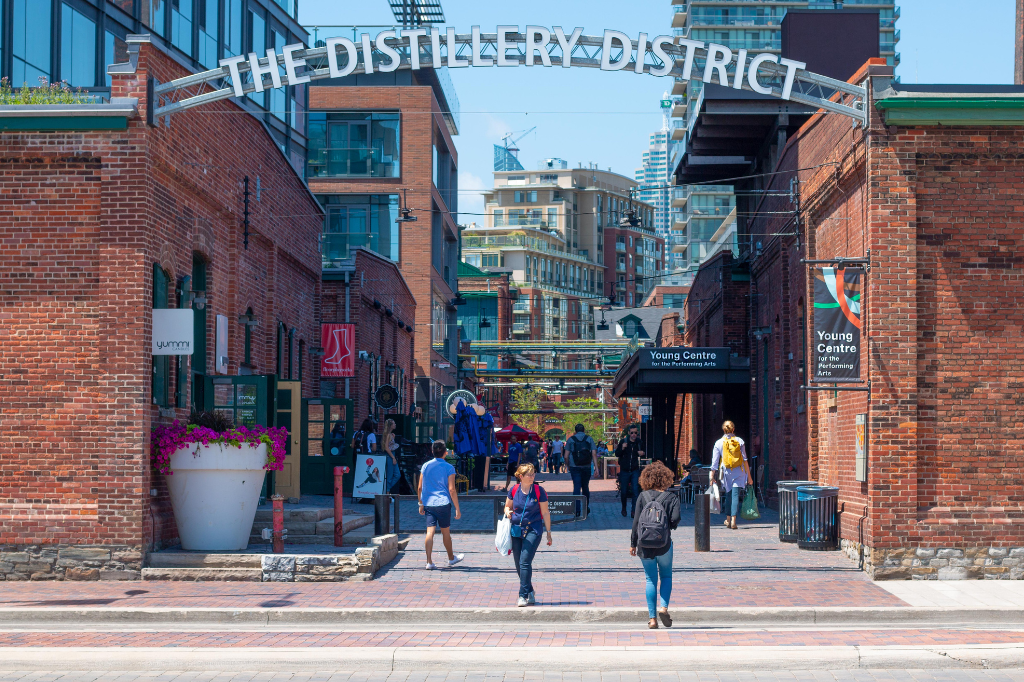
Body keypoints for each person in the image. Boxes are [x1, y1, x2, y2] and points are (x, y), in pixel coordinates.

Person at [630, 461, 680, 629]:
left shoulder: (642, 496)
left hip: (644, 544)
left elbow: (636, 522)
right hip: (664, 544)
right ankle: (663, 608)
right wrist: (668, 526)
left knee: (650, 579)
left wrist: (633, 544)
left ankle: (652, 619)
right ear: (666, 478)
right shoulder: (671, 498)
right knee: (666, 576)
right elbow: (675, 518)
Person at [503, 463, 552, 607]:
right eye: (529, 475)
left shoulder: (538, 490)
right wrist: (507, 512)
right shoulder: (514, 490)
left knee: (525, 561)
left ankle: (522, 595)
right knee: (519, 564)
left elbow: (545, 512)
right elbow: (507, 506)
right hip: (516, 530)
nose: (532, 477)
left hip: (533, 529)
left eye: (533, 474)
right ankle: (530, 590)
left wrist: (549, 532)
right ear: (520, 476)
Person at [417, 440, 465, 569]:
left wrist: (420, 503)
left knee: (429, 532)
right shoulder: (449, 468)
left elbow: (420, 487)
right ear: (445, 453)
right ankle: (451, 558)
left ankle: (429, 562)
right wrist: (457, 508)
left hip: (428, 503)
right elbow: (452, 489)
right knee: (445, 532)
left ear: (432, 451)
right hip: (443, 503)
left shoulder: (425, 466)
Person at [710, 421, 751, 530]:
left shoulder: (718, 443)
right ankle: (733, 520)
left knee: (728, 494)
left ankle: (728, 520)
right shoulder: (739, 441)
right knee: (735, 495)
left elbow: (714, 463)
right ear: (733, 429)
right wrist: (749, 477)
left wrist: (712, 476)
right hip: (739, 471)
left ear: (723, 430)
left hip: (726, 472)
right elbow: (745, 460)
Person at [566, 423, 598, 515]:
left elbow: (566, 456)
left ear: (575, 431)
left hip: (574, 466)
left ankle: (577, 510)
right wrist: (596, 468)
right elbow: (594, 454)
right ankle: (585, 507)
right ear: (584, 430)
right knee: (585, 487)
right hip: (586, 466)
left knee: (576, 487)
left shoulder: (571, 440)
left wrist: (568, 465)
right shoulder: (589, 439)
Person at [616, 425, 645, 517]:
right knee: (624, 491)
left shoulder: (639, 442)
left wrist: (642, 453)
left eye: (635, 433)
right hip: (624, 470)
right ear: (629, 433)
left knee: (635, 491)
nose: (633, 434)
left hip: (634, 470)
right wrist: (622, 448)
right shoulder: (623, 441)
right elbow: (617, 453)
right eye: (632, 433)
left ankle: (633, 510)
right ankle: (624, 508)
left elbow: (644, 453)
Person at [381, 418, 401, 494]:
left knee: (397, 474)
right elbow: (386, 447)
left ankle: (387, 489)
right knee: (390, 475)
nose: (395, 425)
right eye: (393, 423)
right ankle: (387, 492)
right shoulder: (388, 435)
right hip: (390, 455)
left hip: (392, 454)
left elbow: (389, 445)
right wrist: (393, 458)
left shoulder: (390, 435)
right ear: (390, 425)